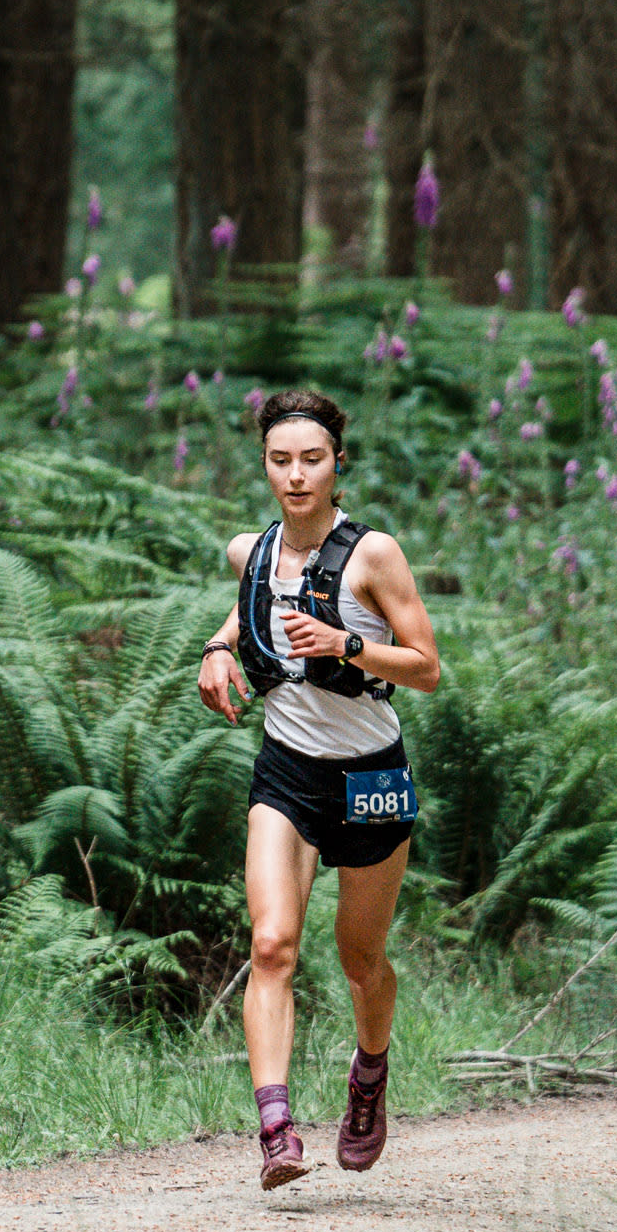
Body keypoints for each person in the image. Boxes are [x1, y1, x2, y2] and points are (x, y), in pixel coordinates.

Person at [195, 389, 444, 1191]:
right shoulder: (251, 551)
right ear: (264, 465)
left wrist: (347, 642)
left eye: (311, 459)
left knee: (360, 959)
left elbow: (428, 667)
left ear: (339, 464)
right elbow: (250, 608)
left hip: (370, 774)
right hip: (289, 773)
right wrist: (218, 646)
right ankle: (276, 1131)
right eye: (280, 460)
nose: (295, 475)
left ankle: (369, 1073)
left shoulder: (374, 555)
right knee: (272, 944)